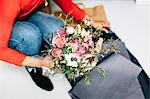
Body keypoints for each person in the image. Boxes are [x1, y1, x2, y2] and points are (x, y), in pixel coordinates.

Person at [0, 0, 109, 91]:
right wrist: (40, 63)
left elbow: (66, 4)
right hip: (4, 18)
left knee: (57, 28)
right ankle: (33, 67)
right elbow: (1, 50)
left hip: (25, 13)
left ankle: (44, 49)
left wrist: (92, 23)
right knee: (31, 36)